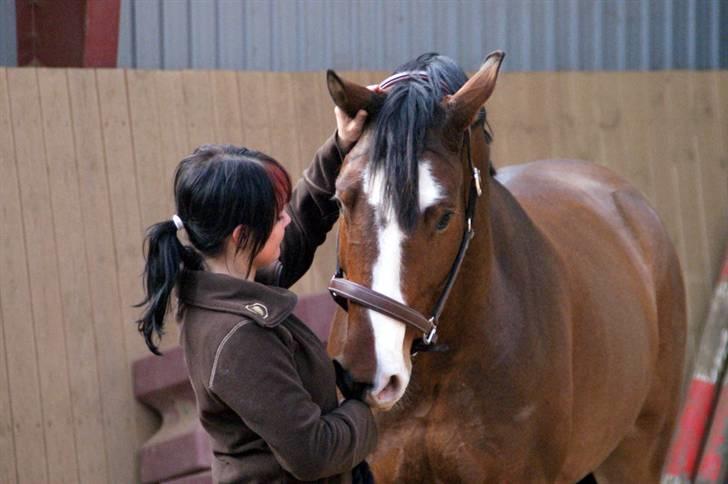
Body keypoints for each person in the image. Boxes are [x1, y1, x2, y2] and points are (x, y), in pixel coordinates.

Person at [136, 107, 376, 483]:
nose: (285, 221)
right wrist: (372, 408)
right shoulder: (240, 337)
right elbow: (312, 453)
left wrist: (340, 145)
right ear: (241, 236)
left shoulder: (225, 287)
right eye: (276, 215)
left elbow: (301, 225)